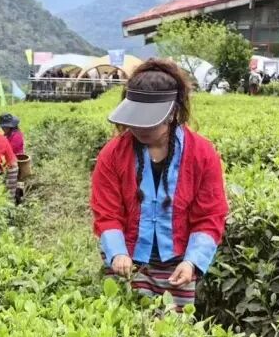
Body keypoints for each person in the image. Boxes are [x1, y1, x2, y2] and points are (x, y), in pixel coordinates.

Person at [91, 59, 228, 311]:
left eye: (149, 121)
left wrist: (192, 262)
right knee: (123, 330)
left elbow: (210, 215)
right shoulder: (112, 154)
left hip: (177, 266)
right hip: (127, 262)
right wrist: (118, 253)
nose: (140, 127)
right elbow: (107, 211)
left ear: (173, 112)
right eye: (135, 119)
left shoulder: (202, 154)